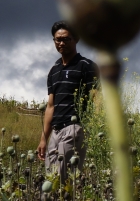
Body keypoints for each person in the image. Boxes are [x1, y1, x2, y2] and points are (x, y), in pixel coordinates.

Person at [37, 21, 98, 180]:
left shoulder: (87, 66)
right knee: (51, 178)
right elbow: (51, 106)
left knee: (65, 177)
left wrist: (96, 128)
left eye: (66, 39)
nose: (61, 43)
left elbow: (97, 98)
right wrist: (44, 138)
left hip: (74, 127)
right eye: (58, 39)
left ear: (76, 39)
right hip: (55, 131)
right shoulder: (54, 70)